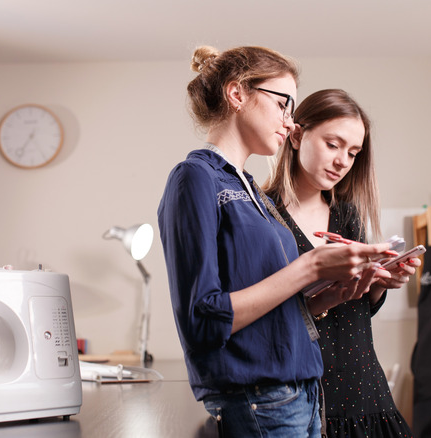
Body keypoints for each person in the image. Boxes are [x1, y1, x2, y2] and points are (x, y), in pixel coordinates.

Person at [158, 46, 395, 437]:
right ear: (237, 95)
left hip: (303, 393)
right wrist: (312, 267)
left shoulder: (247, 187)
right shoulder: (195, 177)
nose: (289, 122)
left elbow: (273, 313)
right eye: (283, 105)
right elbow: (203, 320)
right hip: (260, 399)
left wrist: (331, 296)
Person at [264, 89, 419, 437]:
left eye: (352, 152)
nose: (342, 162)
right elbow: (266, 316)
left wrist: (381, 282)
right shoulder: (263, 216)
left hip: (368, 394)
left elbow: (358, 310)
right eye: (333, 145)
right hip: (305, 404)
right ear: (297, 135)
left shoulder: (346, 214)